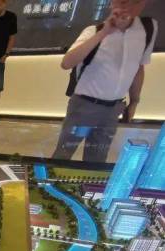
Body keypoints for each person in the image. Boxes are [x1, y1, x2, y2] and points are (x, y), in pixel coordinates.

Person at [52, 0, 157, 163]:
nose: (127, 6)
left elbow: (139, 67)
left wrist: (134, 101)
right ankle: (49, 179)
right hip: (84, 106)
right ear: (111, 3)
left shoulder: (148, 29)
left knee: (97, 159)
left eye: (134, 2)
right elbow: (66, 63)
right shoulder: (94, 31)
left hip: (113, 109)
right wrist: (104, 32)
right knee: (63, 154)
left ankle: (88, 181)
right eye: (121, 1)